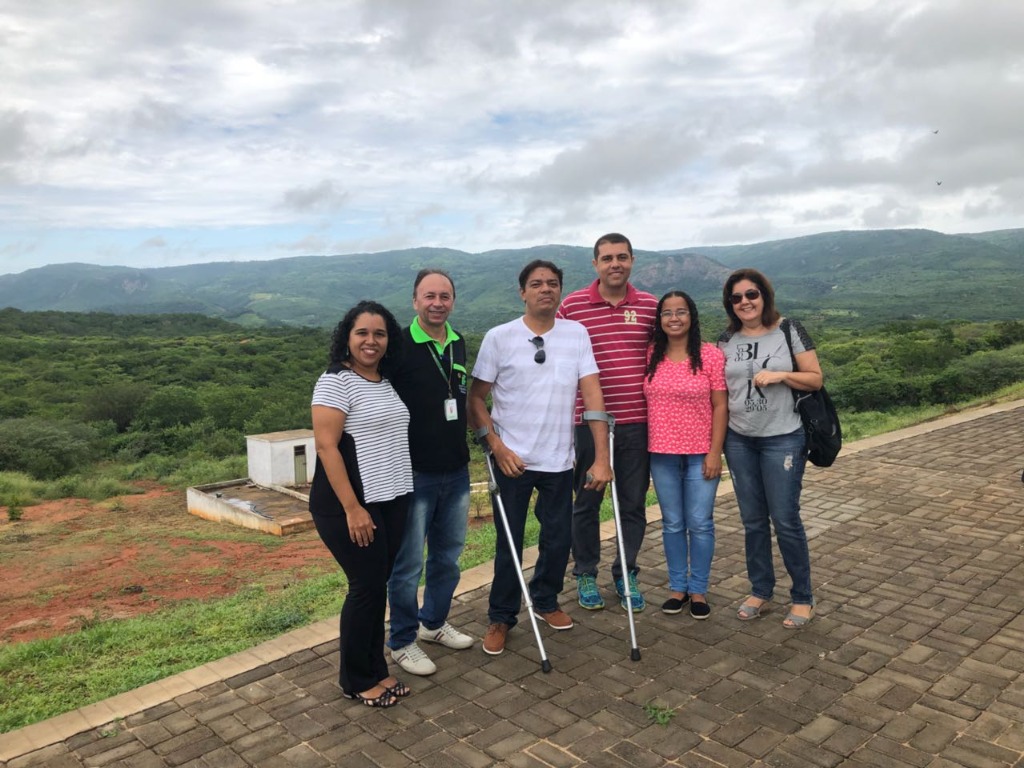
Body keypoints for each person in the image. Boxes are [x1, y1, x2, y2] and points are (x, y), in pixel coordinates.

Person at [468, 259, 613, 656]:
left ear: (560, 290)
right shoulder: (499, 337)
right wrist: (497, 446)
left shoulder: (576, 334)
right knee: (510, 542)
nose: (545, 289)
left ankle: (546, 600)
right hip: (512, 460)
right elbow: (475, 399)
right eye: (536, 284)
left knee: (559, 538)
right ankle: (501, 615)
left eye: (552, 283)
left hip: (558, 460)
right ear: (522, 292)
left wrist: (602, 457)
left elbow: (593, 395)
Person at [309, 300, 414, 708]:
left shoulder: (383, 381)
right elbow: (327, 447)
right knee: (365, 587)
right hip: (350, 505)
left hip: (390, 499)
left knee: (376, 586)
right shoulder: (335, 381)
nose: (371, 341)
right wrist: (353, 509)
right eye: (363, 333)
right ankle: (354, 680)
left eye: (380, 334)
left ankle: (376, 669)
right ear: (347, 337)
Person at [557, 233, 658, 612]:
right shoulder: (573, 306)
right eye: (607, 258)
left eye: (622, 257)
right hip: (586, 424)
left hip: (638, 422)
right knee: (586, 502)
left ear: (632, 260)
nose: (615, 264)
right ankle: (585, 572)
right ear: (595, 264)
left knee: (632, 504)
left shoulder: (650, 306)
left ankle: (626, 572)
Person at [717, 269, 822, 628]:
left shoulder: (788, 329)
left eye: (752, 294)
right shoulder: (726, 339)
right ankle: (761, 589)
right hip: (739, 439)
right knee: (752, 520)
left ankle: (803, 596)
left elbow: (815, 378)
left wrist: (782, 375)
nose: (745, 302)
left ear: (764, 295)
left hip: (783, 436)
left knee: (785, 519)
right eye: (736, 297)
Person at [386, 269, 474, 676]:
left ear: (453, 300)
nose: (438, 303)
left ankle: (433, 623)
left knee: (448, 557)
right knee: (408, 566)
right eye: (429, 296)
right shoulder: (398, 346)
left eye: (445, 296)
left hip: (456, 469)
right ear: (415, 301)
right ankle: (402, 641)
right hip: (412, 472)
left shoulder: (458, 343)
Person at [644, 291, 727, 619]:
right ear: (659, 319)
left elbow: (720, 405)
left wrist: (715, 452)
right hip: (661, 453)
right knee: (673, 524)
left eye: (681, 312)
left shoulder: (710, 355)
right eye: (667, 313)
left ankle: (699, 590)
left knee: (700, 523)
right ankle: (677, 588)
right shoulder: (651, 353)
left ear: (692, 316)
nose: (674, 318)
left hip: (700, 454)